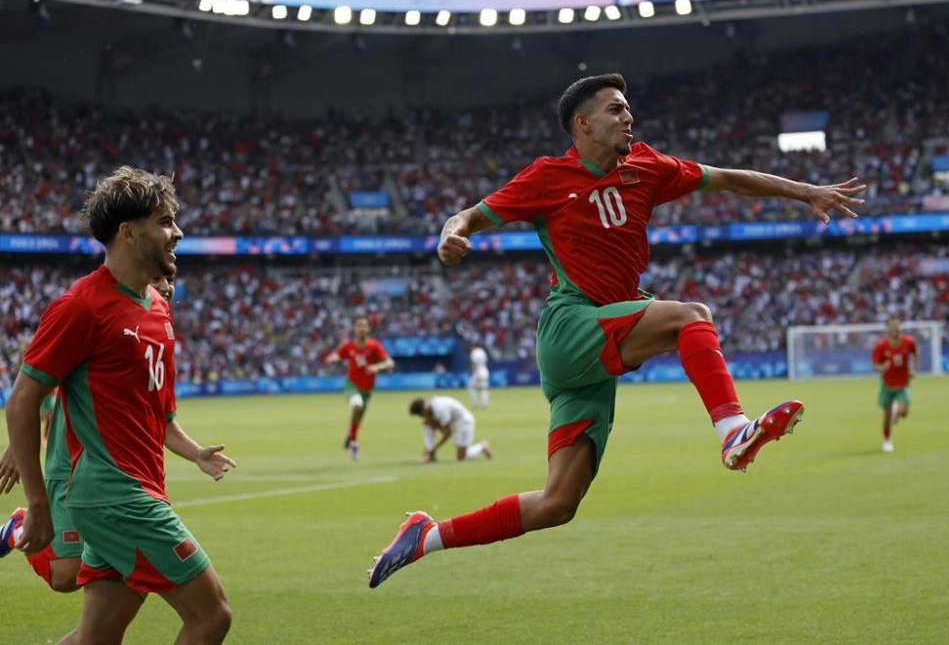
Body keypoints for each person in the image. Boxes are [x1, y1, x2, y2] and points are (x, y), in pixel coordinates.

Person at [367, 72, 865, 589]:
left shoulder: (648, 166)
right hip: (571, 326)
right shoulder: (546, 177)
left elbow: (728, 177)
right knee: (691, 316)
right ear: (582, 124)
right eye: (616, 109)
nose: (628, 117)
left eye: (628, 109)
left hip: (596, 348)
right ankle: (732, 430)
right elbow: (466, 216)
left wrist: (807, 191)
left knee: (558, 503)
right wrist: (451, 237)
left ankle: (424, 536)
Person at [4, 166, 233, 643]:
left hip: (140, 487)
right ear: (128, 233)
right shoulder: (81, 306)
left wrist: (195, 454)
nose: (178, 232)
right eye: (165, 221)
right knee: (212, 616)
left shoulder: (157, 306)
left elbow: (160, 414)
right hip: (115, 496)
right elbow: (23, 401)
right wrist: (38, 505)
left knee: (97, 636)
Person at [1, 268, 234, 599]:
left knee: (95, 617)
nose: (165, 287)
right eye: (157, 280)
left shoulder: (158, 330)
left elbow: (162, 418)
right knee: (65, 576)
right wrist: (16, 444)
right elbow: (41, 387)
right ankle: (18, 528)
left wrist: (197, 453)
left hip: (125, 481)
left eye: (169, 281)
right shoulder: (96, 311)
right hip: (73, 467)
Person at [323, 314, 395, 461]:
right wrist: (331, 359)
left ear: (369, 328)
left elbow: (390, 363)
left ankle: (351, 434)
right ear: (354, 328)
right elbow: (336, 355)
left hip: (367, 389)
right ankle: (354, 444)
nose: (361, 328)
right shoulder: (348, 346)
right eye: (358, 325)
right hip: (352, 385)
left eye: (364, 325)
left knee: (358, 417)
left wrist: (377, 366)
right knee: (357, 406)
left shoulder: (374, 346)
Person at [870, 317, 918, 453]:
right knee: (886, 416)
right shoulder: (882, 346)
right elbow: (875, 364)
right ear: (888, 330)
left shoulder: (909, 342)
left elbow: (915, 354)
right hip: (887, 384)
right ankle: (887, 440)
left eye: (897, 328)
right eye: (891, 328)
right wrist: (882, 367)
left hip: (903, 383)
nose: (894, 331)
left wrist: (914, 369)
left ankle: (897, 410)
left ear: (900, 329)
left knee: (904, 412)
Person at [409, 396, 493, 463]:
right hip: (453, 422)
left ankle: (482, 446)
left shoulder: (440, 409)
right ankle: (431, 456)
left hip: (464, 422)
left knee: (461, 457)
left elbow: (448, 433)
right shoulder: (431, 406)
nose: (422, 417)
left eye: (421, 414)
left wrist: (434, 448)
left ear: (423, 408)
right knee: (427, 423)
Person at [467, 343, 490, 409]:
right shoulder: (483, 352)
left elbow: (475, 363)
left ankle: (475, 404)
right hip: (485, 370)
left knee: (471, 387)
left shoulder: (474, 352)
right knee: (484, 388)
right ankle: (485, 404)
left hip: (478, 371)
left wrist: (475, 373)